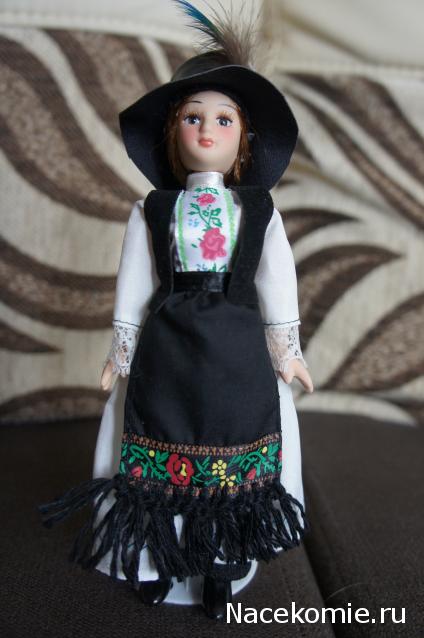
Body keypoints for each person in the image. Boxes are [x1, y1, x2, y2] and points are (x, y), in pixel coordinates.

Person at [39, 0, 314, 621]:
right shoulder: (152, 210)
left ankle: (221, 567)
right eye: (193, 117)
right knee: (157, 452)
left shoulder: (259, 213)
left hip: (238, 355)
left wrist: (287, 352)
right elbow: (134, 283)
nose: (207, 130)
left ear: (244, 141)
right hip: (167, 349)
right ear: (173, 132)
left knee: (234, 460)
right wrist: (120, 351)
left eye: (223, 119)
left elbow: (278, 282)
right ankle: (157, 560)